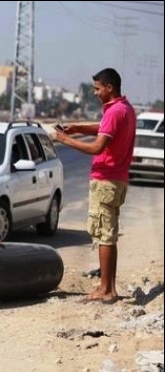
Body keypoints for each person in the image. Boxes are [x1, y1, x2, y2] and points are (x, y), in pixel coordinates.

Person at [53, 68, 136, 304]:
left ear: (109, 88)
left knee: (104, 236)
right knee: (108, 234)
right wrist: (78, 128)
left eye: (98, 88)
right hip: (117, 179)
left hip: (106, 180)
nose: (95, 93)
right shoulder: (125, 108)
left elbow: (97, 147)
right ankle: (108, 286)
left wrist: (66, 140)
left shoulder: (115, 111)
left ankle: (106, 290)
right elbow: (104, 128)